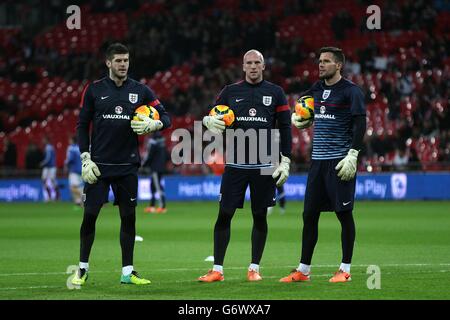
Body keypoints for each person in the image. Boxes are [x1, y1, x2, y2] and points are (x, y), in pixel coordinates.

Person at [71, 43, 171, 286]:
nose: (123, 64)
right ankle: (82, 269)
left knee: (128, 218)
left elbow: (166, 118)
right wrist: (85, 157)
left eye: (126, 60)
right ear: (108, 63)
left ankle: (128, 272)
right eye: (118, 61)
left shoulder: (141, 91)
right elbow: (82, 126)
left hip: (127, 166)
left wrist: (154, 125)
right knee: (90, 216)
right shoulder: (94, 90)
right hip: (99, 166)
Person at [198, 49, 292, 282]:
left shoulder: (276, 93)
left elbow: (285, 127)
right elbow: (214, 118)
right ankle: (217, 270)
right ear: (243, 66)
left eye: (256, 62)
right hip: (236, 164)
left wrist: (285, 159)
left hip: (265, 164)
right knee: (224, 214)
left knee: (260, 216)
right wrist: (208, 121)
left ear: (263, 66)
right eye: (248, 63)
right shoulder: (230, 92)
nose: (252, 66)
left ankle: (254, 268)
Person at [282, 47, 366, 283]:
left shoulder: (351, 92)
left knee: (344, 214)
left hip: (340, 162)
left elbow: (361, 125)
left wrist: (353, 154)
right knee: (309, 215)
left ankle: (345, 269)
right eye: (319, 61)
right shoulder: (317, 89)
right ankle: (303, 270)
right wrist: (298, 117)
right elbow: (303, 105)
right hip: (317, 163)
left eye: (326, 61)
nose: (320, 65)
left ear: (338, 65)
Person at [143, 131, 168, 214]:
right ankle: (152, 205)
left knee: (157, 186)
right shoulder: (162, 142)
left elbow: (149, 155)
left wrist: (143, 165)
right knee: (153, 186)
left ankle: (162, 206)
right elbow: (166, 155)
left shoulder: (152, 142)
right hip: (161, 167)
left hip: (155, 168)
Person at [64, 136, 83, 207]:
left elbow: (70, 159)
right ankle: (80, 202)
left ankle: (82, 196)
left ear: (72, 140)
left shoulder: (71, 148)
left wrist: (66, 164)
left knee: (72, 187)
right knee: (79, 187)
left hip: (74, 170)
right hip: (81, 170)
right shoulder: (79, 148)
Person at [40, 136, 59, 201]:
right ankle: (50, 196)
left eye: (43, 139)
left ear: (46, 140)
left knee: (51, 181)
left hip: (51, 167)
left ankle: (55, 196)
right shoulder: (49, 147)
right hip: (48, 167)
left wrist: (42, 163)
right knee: (45, 181)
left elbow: (48, 158)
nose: (42, 141)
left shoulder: (49, 148)